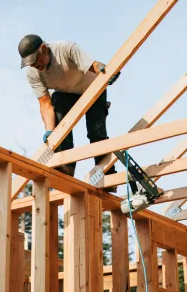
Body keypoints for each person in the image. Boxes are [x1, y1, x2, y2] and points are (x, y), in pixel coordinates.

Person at [18, 34, 119, 191]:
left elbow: (93, 65)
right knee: (59, 118)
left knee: (96, 132)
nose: (34, 66)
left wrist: (104, 71)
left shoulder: (66, 49)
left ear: (43, 49)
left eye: (35, 61)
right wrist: (50, 131)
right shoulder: (33, 73)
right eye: (30, 64)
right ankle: (66, 167)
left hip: (91, 88)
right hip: (65, 93)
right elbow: (45, 103)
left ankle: (106, 173)